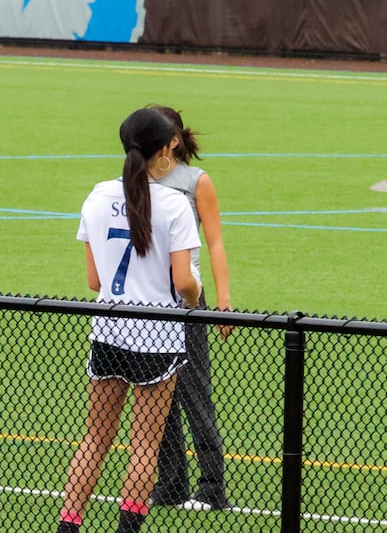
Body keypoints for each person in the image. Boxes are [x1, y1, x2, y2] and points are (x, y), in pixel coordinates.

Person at [59, 108, 202, 533]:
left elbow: (93, 280)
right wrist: (195, 291)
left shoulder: (98, 195)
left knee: (95, 438)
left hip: (107, 329)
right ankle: (127, 529)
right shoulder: (174, 204)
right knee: (144, 442)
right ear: (164, 149)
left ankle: (69, 524)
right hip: (156, 334)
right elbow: (184, 282)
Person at [145, 105, 233, 511]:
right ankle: (171, 482)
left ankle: (212, 486)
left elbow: (214, 242)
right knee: (154, 393)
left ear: (174, 139)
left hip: (187, 300)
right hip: (146, 299)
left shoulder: (195, 181)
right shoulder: (135, 177)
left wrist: (224, 303)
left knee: (194, 391)